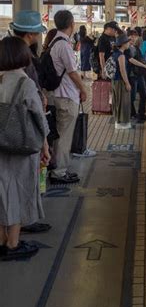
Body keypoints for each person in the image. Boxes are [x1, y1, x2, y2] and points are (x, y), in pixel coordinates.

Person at [0, 37, 50, 261]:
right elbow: (39, 119)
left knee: (1, 192)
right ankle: (13, 242)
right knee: (19, 190)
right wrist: (45, 146)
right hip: (22, 147)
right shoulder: (26, 83)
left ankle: (1, 240)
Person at [49, 10, 95, 185]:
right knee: (64, 137)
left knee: (61, 135)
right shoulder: (63, 44)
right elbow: (72, 72)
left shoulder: (56, 41)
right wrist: (83, 89)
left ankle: (58, 168)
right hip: (66, 97)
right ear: (71, 24)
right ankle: (59, 172)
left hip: (61, 95)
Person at [128, 29, 146, 123]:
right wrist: (144, 65)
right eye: (131, 36)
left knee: (144, 94)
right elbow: (132, 60)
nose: (133, 38)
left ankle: (141, 114)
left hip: (139, 74)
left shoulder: (136, 47)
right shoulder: (126, 48)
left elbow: (141, 58)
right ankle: (132, 114)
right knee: (132, 96)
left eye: (135, 36)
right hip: (131, 75)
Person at [111, 33, 133, 130]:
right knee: (123, 102)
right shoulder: (121, 56)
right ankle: (122, 123)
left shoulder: (115, 53)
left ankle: (117, 121)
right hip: (120, 81)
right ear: (123, 44)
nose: (129, 43)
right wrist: (127, 83)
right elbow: (122, 70)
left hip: (115, 81)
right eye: (127, 42)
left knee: (117, 101)